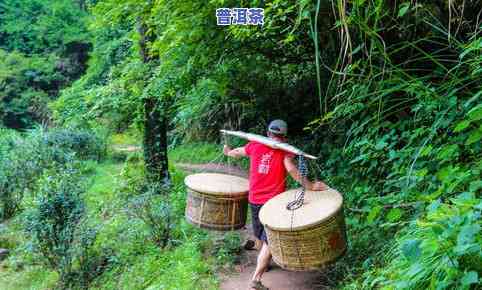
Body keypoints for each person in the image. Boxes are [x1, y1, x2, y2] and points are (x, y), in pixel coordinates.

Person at [223, 119, 328, 290]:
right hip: (272, 204)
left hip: (255, 199)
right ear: (284, 137)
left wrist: (228, 153)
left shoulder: (255, 145)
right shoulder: (285, 151)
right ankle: (256, 278)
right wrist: (311, 186)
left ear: (268, 133)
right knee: (269, 240)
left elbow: (239, 151)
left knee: (261, 236)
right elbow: (292, 169)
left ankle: (264, 262)